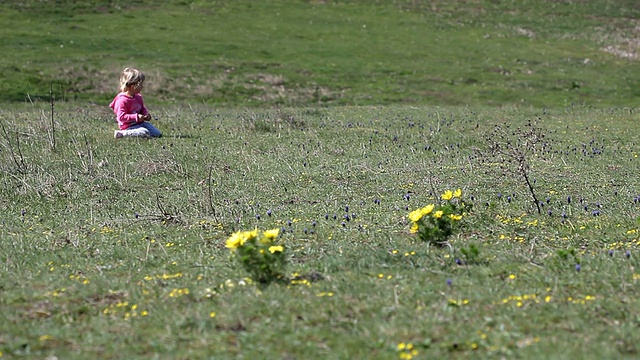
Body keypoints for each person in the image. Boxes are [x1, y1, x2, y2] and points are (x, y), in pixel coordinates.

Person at [109, 68, 162, 138]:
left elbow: (142, 108)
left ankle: (144, 134)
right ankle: (122, 134)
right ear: (133, 86)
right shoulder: (122, 100)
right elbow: (121, 117)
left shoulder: (138, 97)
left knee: (157, 133)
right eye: (141, 84)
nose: (142, 87)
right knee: (144, 132)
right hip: (128, 126)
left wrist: (146, 114)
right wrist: (136, 117)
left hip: (140, 123)